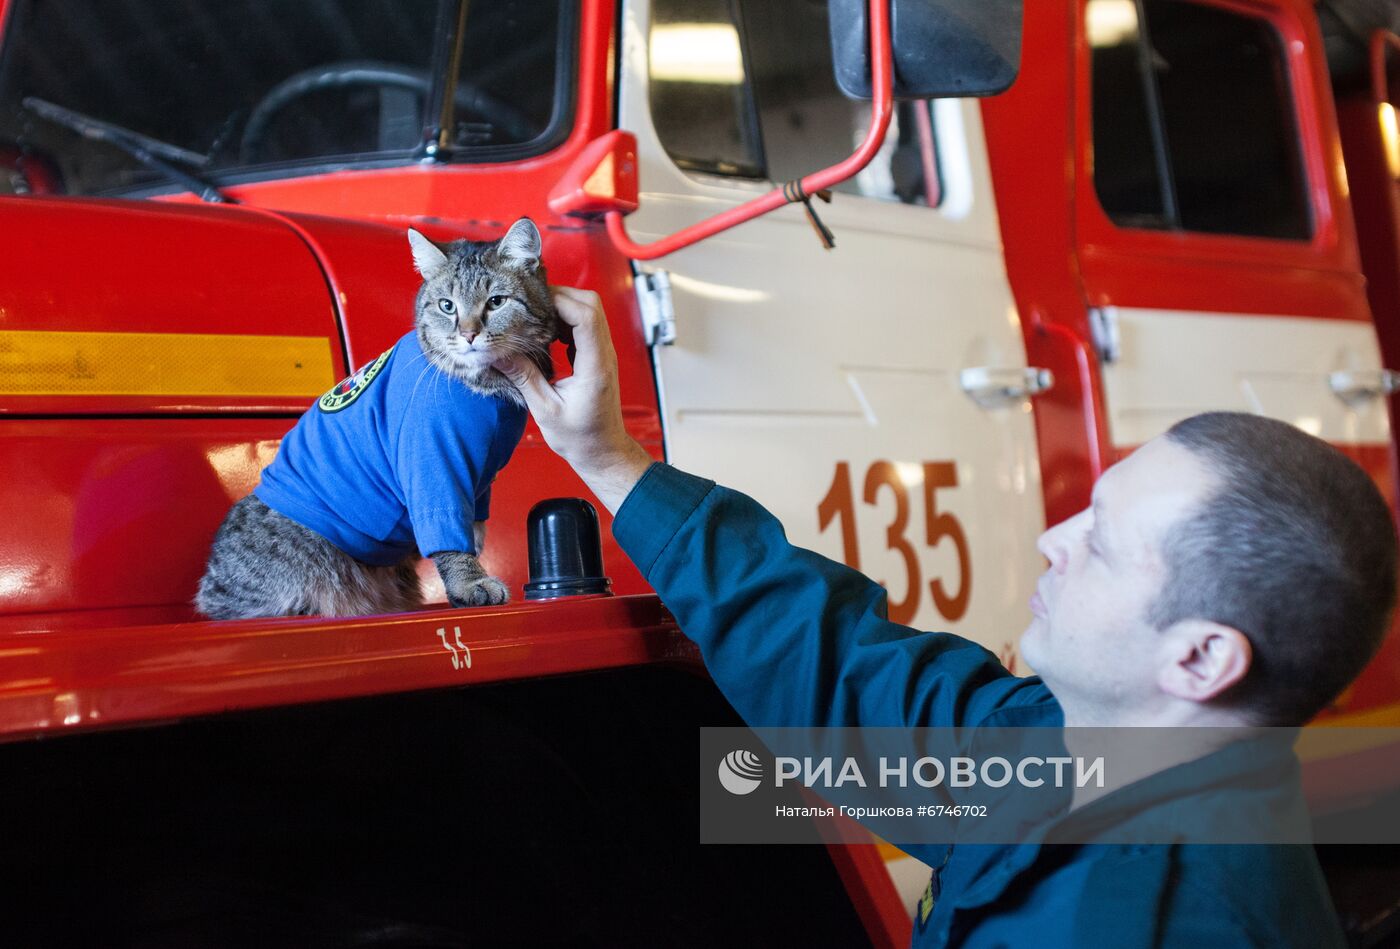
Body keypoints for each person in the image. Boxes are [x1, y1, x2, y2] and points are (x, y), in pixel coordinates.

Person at [495, 288, 1398, 947]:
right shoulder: (1089, 746)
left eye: (1104, 544)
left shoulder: (1146, 922)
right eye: (1086, 508)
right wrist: (608, 457)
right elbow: (844, 671)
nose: (1053, 537)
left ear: (1202, 660)